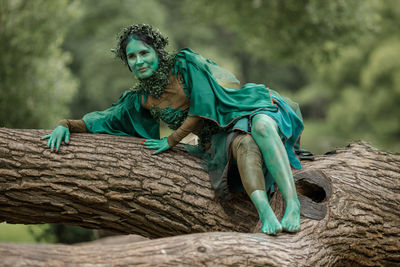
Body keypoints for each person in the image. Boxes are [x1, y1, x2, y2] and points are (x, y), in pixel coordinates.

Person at [43, 24, 304, 235]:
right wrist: (65, 124)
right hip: (220, 137)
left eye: (144, 53)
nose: (139, 61)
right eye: (131, 57)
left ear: (157, 52)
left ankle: (292, 205)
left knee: (261, 126)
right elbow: (101, 120)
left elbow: (202, 108)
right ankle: (266, 214)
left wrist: (173, 140)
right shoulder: (140, 99)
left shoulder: (184, 65)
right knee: (245, 145)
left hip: (239, 109)